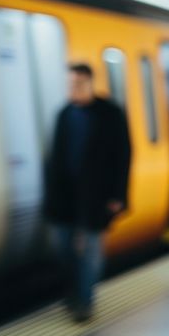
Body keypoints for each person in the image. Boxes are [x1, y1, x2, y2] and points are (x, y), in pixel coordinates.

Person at [43, 62, 131, 322]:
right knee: (65, 251)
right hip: (65, 197)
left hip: (98, 196)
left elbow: (123, 156)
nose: (74, 88)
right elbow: (55, 159)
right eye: (70, 84)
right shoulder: (64, 114)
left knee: (92, 251)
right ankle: (72, 296)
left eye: (79, 83)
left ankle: (85, 302)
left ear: (91, 83)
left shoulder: (110, 114)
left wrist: (118, 195)